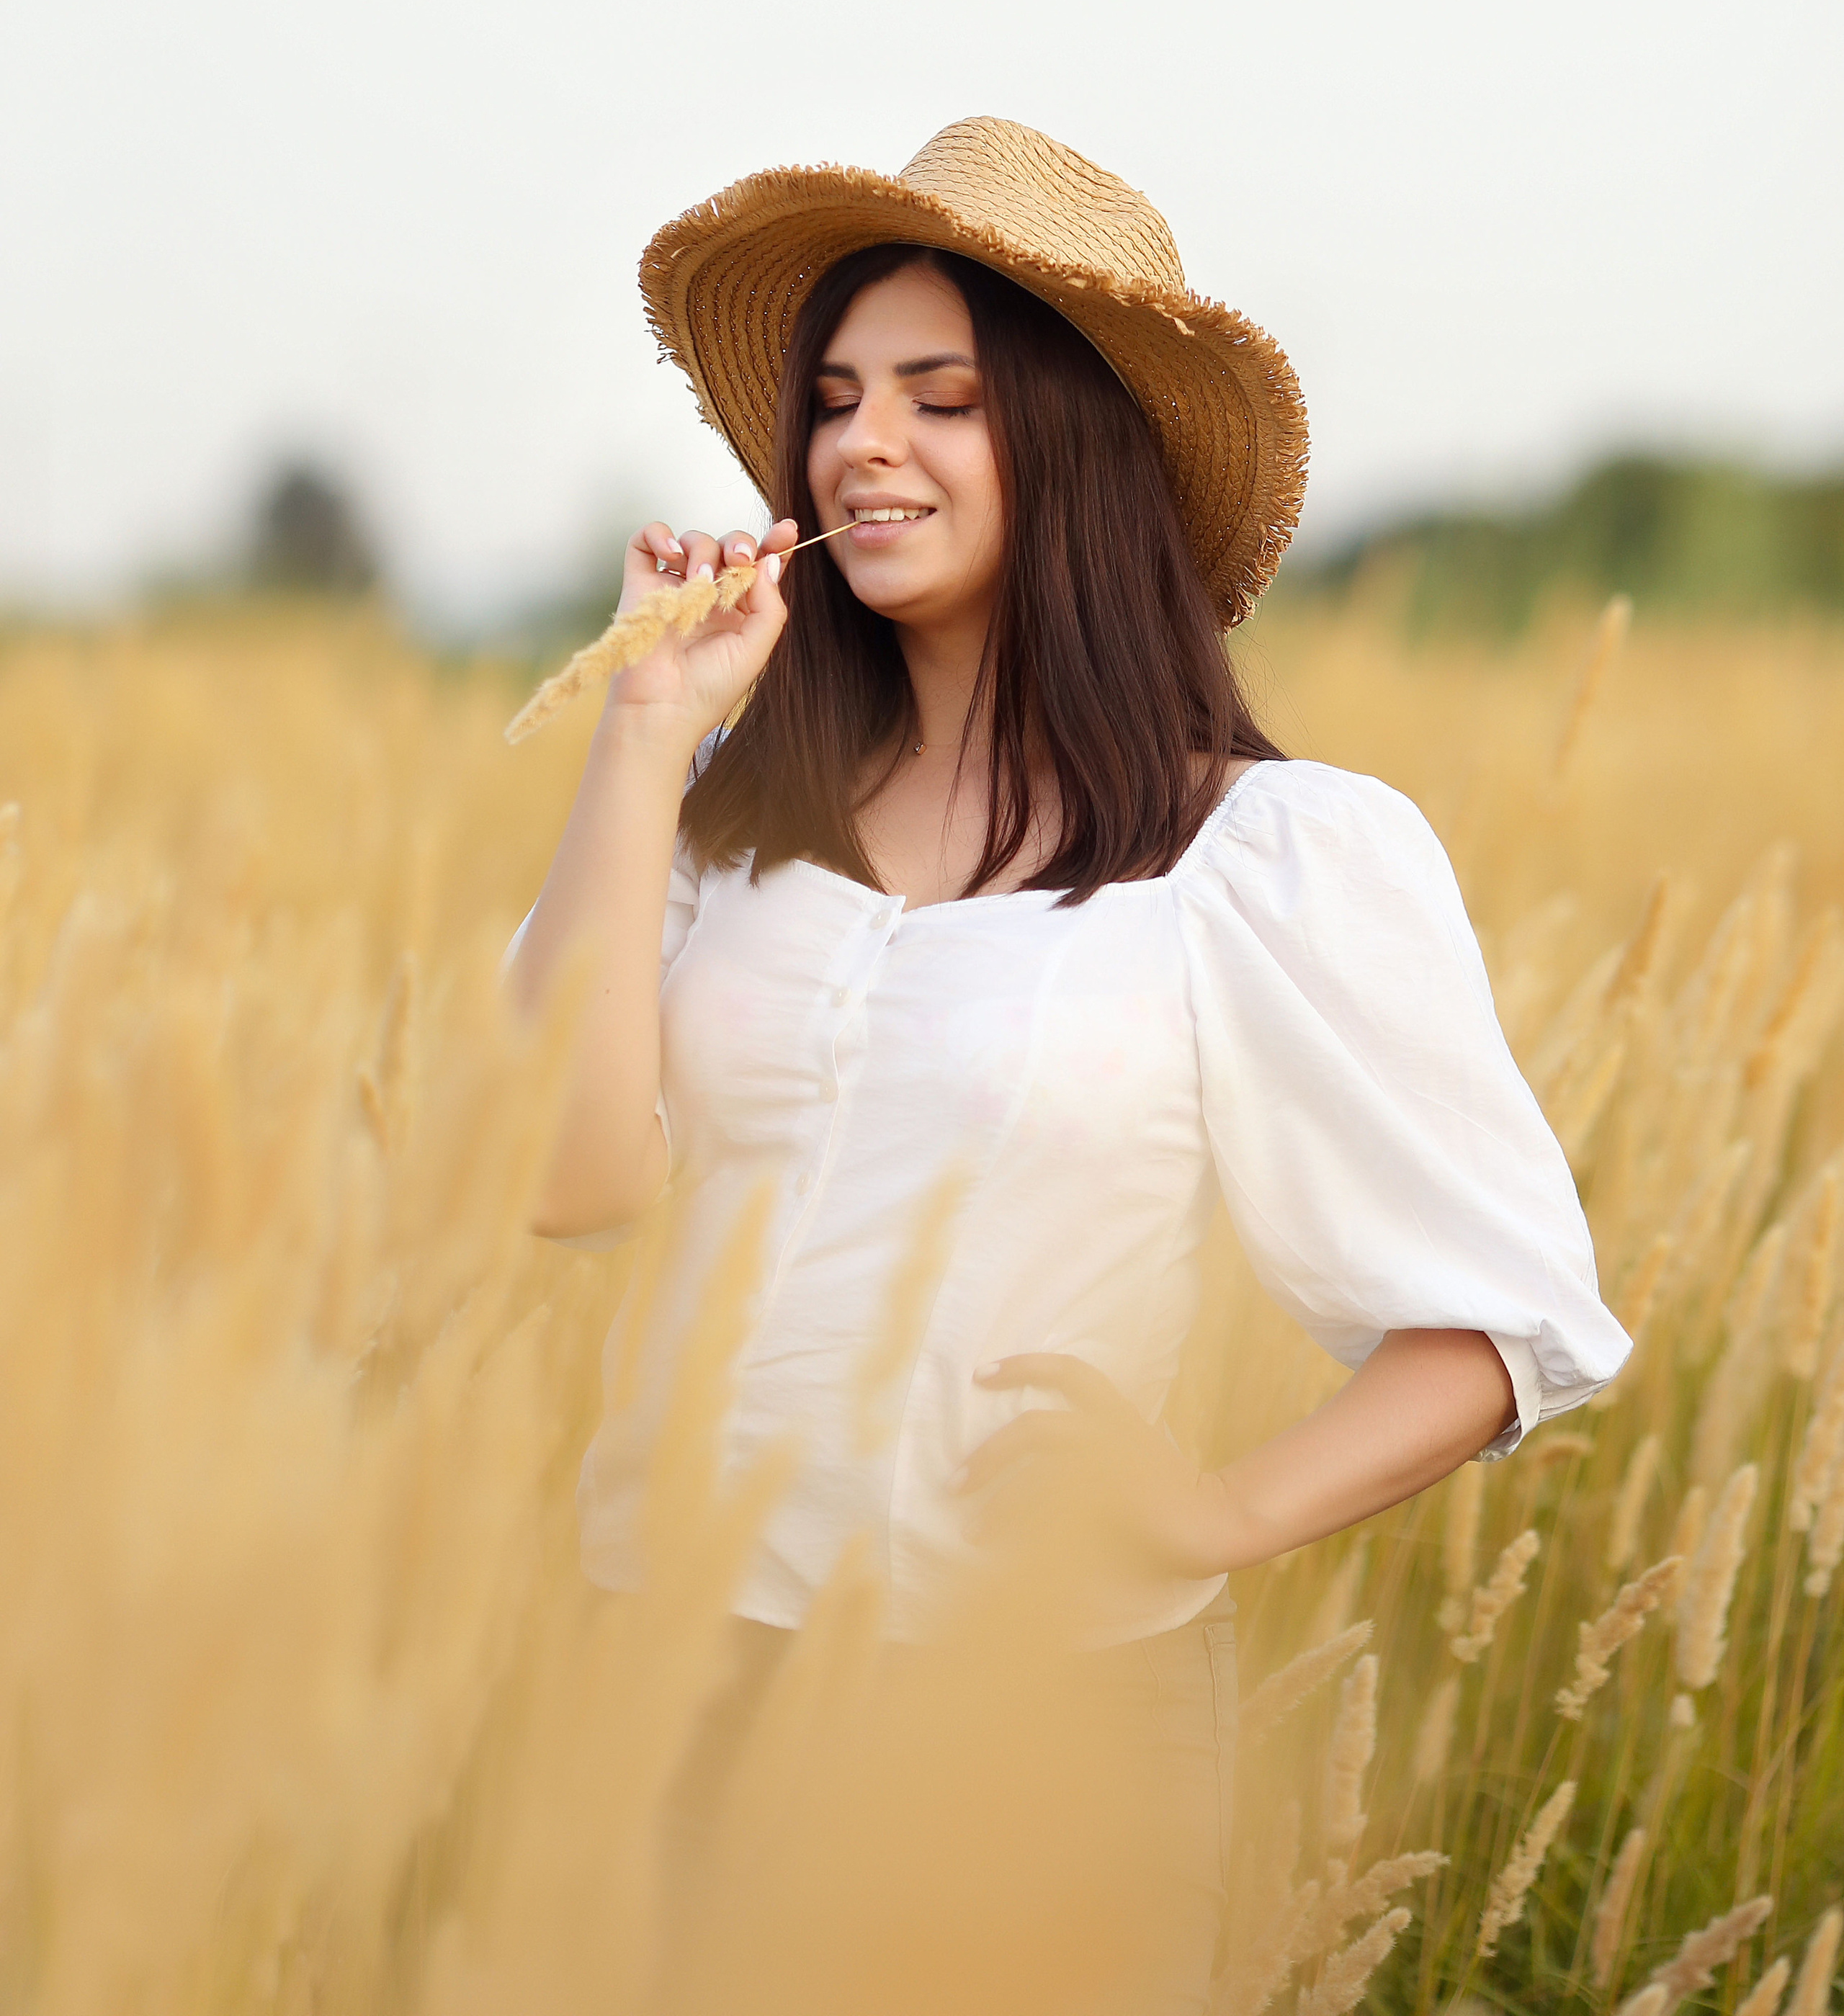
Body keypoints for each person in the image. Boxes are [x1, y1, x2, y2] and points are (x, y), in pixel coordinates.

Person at [506, 117, 1630, 2009]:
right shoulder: (724, 801)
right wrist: (636, 730)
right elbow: (572, 1176)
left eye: (944, 401)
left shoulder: (1265, 858)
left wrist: (1212, 1513)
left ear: (1077, 450)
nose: (866, 445)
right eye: (841, 400)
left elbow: (1506, 1318)